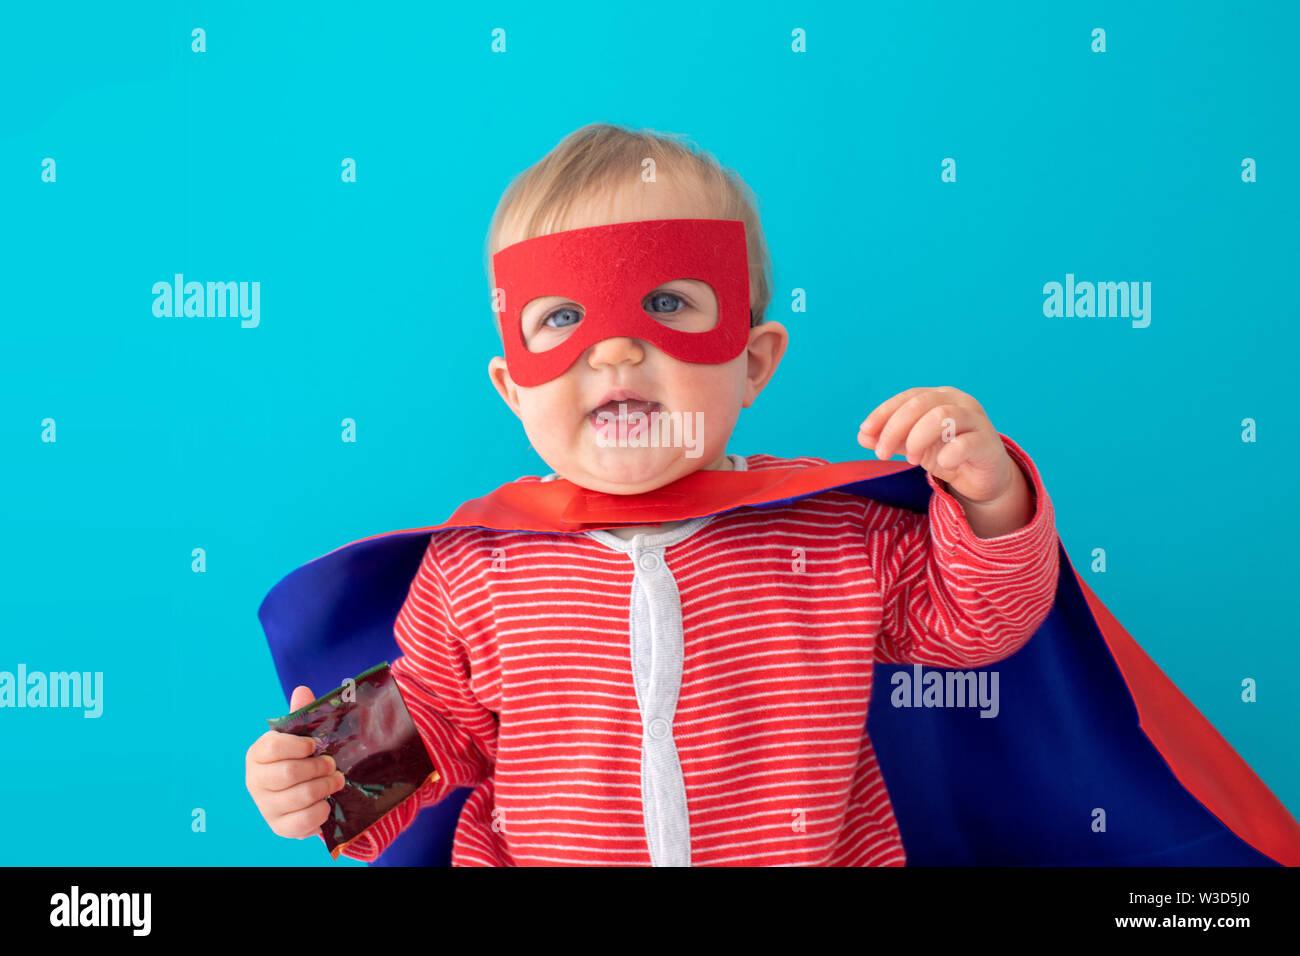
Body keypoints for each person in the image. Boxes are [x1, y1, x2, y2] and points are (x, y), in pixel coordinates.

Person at [245, 121, 1060, 865]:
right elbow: (429, 725)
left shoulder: (832, 537)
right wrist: (316, 778)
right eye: (562, 316)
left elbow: (975, 618)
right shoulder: (478, 568)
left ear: (752, 363)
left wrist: (990, 498)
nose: (615, 351)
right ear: (512, 390)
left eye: (667, 303)